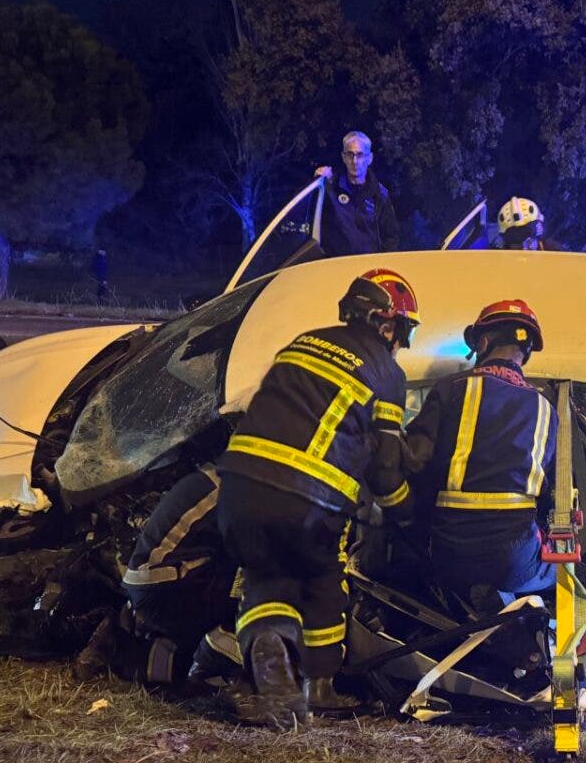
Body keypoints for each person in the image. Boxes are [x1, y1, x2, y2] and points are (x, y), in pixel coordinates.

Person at [374, 299, 586, 714]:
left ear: (481, 341)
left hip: (446, 554)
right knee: (583, 589)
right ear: (526, 352)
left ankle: (519, 650)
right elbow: (557, 496)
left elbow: (415, 463)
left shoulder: (449, 390)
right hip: (515, 556)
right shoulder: (546, 411)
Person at [216, 268, 420, 727]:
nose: (401, 343)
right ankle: (321, 686)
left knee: (264, 578)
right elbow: (385, 470)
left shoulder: (301, 342)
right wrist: (407, 513)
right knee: (324, 579)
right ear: (384, 323)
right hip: (307, 497)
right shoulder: (387, 372)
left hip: (238, 485)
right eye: (401, 331)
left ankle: (268, 642)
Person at [74, 465, 243, 687]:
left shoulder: (227, 475)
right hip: (166, 589)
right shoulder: (245, 490)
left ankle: (124, 648)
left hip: (157, 584)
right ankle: (232, 662)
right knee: (264, 583)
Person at [314, 131, 400, 256]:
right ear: (343, 157)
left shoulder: (380, 194)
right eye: (350, 155)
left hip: (367, 268)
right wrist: (317, 180)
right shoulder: (330, 187)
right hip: (335, 267)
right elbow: (307, 213)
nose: (354, 161)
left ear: (369, 158)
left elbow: (391, 237)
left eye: (360, 155)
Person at [495, 197, 562, 251]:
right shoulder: (494, 259)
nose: (524, 247)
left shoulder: (555, 253)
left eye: (528, 233)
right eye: (516, 238)